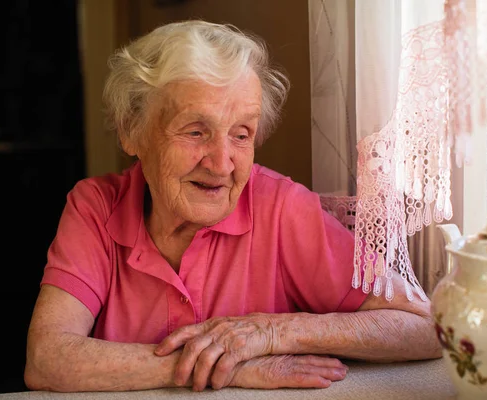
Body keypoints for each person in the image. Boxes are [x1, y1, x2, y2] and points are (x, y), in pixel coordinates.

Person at [24, 20, 441, 392]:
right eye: (195, 131)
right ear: (132, 131)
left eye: (242, 135)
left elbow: (424, 327)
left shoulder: (280, 208)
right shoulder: (96, 207)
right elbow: (47, 359)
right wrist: (223, 364)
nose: (222, 164)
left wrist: (269, 332)